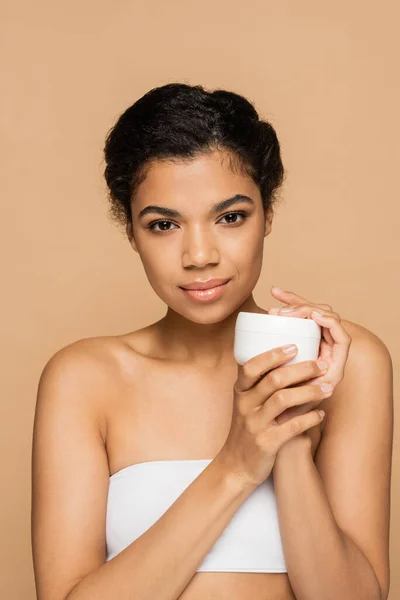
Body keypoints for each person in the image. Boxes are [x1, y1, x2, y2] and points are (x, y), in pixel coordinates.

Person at [31, 83, 393, 600]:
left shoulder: (346, 363)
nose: (199, 255)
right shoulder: (86, 377)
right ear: (132, 233)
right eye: (163, 224)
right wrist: (236, 466)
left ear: (268, 214)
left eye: (230, 217)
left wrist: (287, 436)